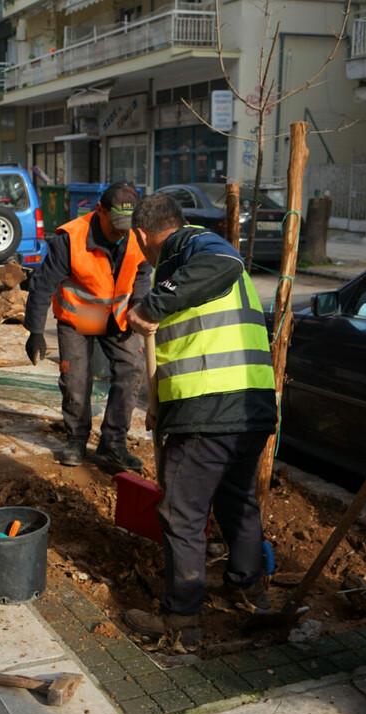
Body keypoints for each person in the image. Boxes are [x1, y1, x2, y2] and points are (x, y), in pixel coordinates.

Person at [123, 193, 277, 639]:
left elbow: (224, 265)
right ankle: (249, 591)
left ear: (142, 236)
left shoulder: (196, 246)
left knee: (182, 513)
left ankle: (181, 620)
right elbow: (199, 343)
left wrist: (151, 305)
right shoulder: (183, 261)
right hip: (247, 408)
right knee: (236, 501)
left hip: (211, 410)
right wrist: (162, 409)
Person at [24, 183, 151, 469]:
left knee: (131, 369)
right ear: (99, 211)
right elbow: (42, 285)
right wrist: (35, 331)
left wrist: (139, 305)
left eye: (126, 226)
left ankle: (113, 443)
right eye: (115, 224)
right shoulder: (71, 238)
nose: (121, 232)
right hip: (81, 317)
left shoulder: (135, 235)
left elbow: (142, 271)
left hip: (117, 317)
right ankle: (77, 440)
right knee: (77, 379)